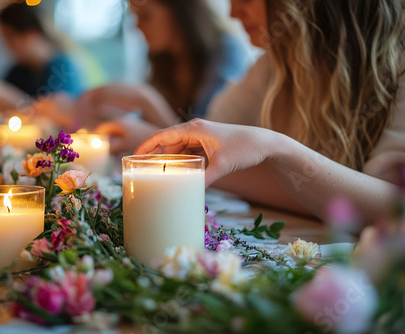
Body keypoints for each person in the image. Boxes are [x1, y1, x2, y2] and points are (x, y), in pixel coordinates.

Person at [134, 0, 405, 223]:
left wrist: (275, 148)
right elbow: (206, 139)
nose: (233, 12)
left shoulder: (397, 72)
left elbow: (395, 210)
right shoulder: (274, 65)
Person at [72, 0, 250, 150]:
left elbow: (202, 145)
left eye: (146, 16)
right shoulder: (164, 61)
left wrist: (145, 99)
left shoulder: (226, 53)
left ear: (179, 11)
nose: (137, 26)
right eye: (134, 17)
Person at [0, 3, 84, 111]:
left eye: (10, 37)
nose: (6, 46)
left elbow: (41, 112)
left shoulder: (62, 67)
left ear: (32, 33)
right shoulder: (19, 70)